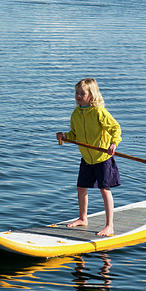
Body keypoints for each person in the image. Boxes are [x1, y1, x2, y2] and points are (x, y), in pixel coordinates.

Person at [56, 78, 122, 236]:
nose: (78, 96)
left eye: (82, 93)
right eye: (76, 93)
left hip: (102, 158)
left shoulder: (99, 112)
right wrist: (64, 136)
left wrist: (113, 144)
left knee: (104, 190)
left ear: (91, 95)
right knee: (81, 188)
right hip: (86, 158)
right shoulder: (76, 114)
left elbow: (115, 128)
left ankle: (109, 225)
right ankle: (83, 218)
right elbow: (74, 134)